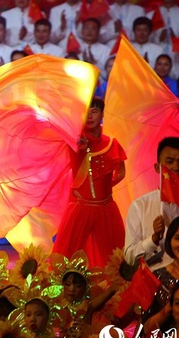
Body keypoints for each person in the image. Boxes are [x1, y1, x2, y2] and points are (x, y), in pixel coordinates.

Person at [53, 97, 127, 267]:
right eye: (85, 113)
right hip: (80, 208)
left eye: (94, 111)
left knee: (116, 261)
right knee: (65, 260)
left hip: (107, 209)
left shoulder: (111, 143)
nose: (90, 116)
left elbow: (121, 173)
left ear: (102, 114)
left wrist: (104, 190)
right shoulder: (75, 141)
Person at [124, 137, 179, 270]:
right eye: (170, 162)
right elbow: (130, 258)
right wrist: (153, 239)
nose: (175, 167)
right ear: (157, 167)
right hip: (153, 282)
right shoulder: (140, 206)